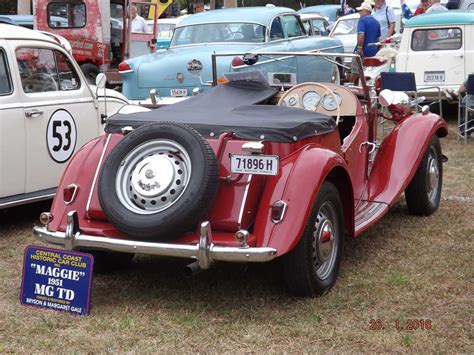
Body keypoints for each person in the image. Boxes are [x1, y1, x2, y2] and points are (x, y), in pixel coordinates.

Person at [351, 2, 381, 83]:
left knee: (355, 72)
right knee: (369, 74)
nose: (359, 12)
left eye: (361, 10)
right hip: (372, 52)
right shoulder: (377, 22)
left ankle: (350, 88)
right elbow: (377, 39)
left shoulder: (362, 20)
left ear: (366, 11)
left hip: (362, 51)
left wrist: (360, 48)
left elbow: (361, 35)